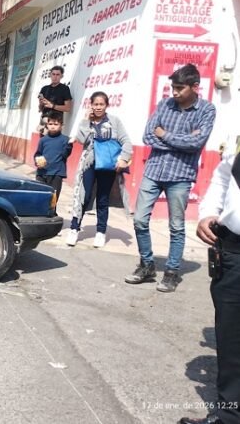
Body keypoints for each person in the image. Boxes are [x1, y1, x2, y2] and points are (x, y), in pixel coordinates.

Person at [125, 64, 216, 292]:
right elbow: (148, 136)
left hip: (180, 176)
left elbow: (196, 143)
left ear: (195, 87)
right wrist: (182, 141)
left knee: (176, 226)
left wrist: (164, 134)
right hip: (154, 170)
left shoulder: (207, 110)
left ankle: (172, 272)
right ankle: (146, 265)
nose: (174, 93)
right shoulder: (164, 104)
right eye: (172, 87)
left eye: (179, 88)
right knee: (139, 220)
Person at [181, 149, 240, 424]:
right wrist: (209, 212)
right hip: (232, 250)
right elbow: (225, 175)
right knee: (231, 343)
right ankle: (229, 417)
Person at [65, 91, 132, 248]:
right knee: (83, 196)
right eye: (95, 104)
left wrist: (123, 158)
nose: (98, 107)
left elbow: (126, 141)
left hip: (107, 166)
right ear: (91, 105)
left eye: (101, 104)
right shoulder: (87, 121)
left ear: (106, 105)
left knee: (102, 199)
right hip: (89, 164)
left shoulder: (114, 121)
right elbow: (81, 139)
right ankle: (74, 229)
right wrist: (85, 121)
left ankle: (101, 232)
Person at [34, 111, 72, 204]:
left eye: (56, 124)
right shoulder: (43, 140)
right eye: (50, 124)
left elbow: (65, 155)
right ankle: (40, 214)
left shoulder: (65, 140)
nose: (53, 126)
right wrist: (37, 161)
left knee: (53, 198)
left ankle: (51, 214)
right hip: (42, 173)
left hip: (56, 174)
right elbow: (38, 153)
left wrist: (69, 145)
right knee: (40, 195)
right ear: (47, 125)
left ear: (61, 125)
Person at [37, 65, 73, 135]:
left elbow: (68, 108)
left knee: (53, 143)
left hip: (56, 122)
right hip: (44, 120)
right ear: (50, 75)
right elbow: (40, 108)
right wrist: (42, 104)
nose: (55, 77)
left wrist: (52, 106)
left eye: (57, 74)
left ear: (61, 76)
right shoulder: (44, 89)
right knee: (44, 143)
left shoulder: (64, 89)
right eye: (53, 74)